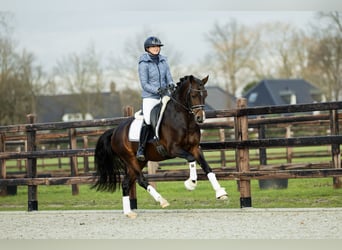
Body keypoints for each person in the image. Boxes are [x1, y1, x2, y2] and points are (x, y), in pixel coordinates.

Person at [136, 36, 174, 161]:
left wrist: (171, 85)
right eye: (153, 46)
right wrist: (157, 90)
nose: (156, 48)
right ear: (147, 48)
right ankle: (141, 149)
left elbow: (169, 77)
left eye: (157, 46)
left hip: (164, 95)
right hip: (150, 97)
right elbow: (144, 84)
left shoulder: (164, 61)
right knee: (148, 120)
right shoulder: (143, 63)